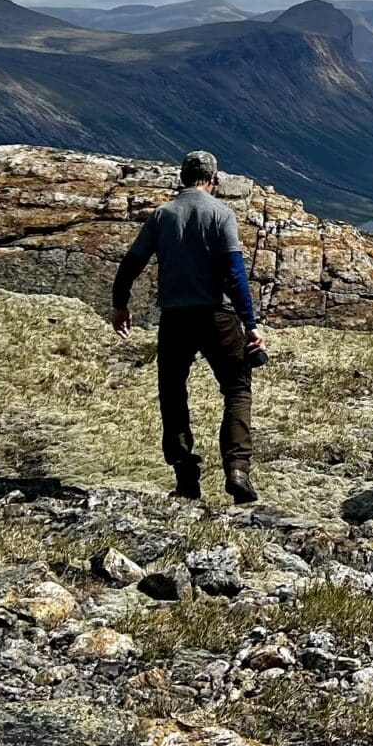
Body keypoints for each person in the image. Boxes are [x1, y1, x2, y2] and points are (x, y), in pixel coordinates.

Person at [112, 149, 266, 504]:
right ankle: (237, 470)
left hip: (175, 319)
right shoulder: (222, 214)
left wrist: (121, 305)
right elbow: (235, 273)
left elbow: (131, 262)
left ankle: (185, 478)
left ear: (182, 178)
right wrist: (251, 324)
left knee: (172, 392)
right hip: (218, 316)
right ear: (214, 179)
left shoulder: (161, 216)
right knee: (237, 389)